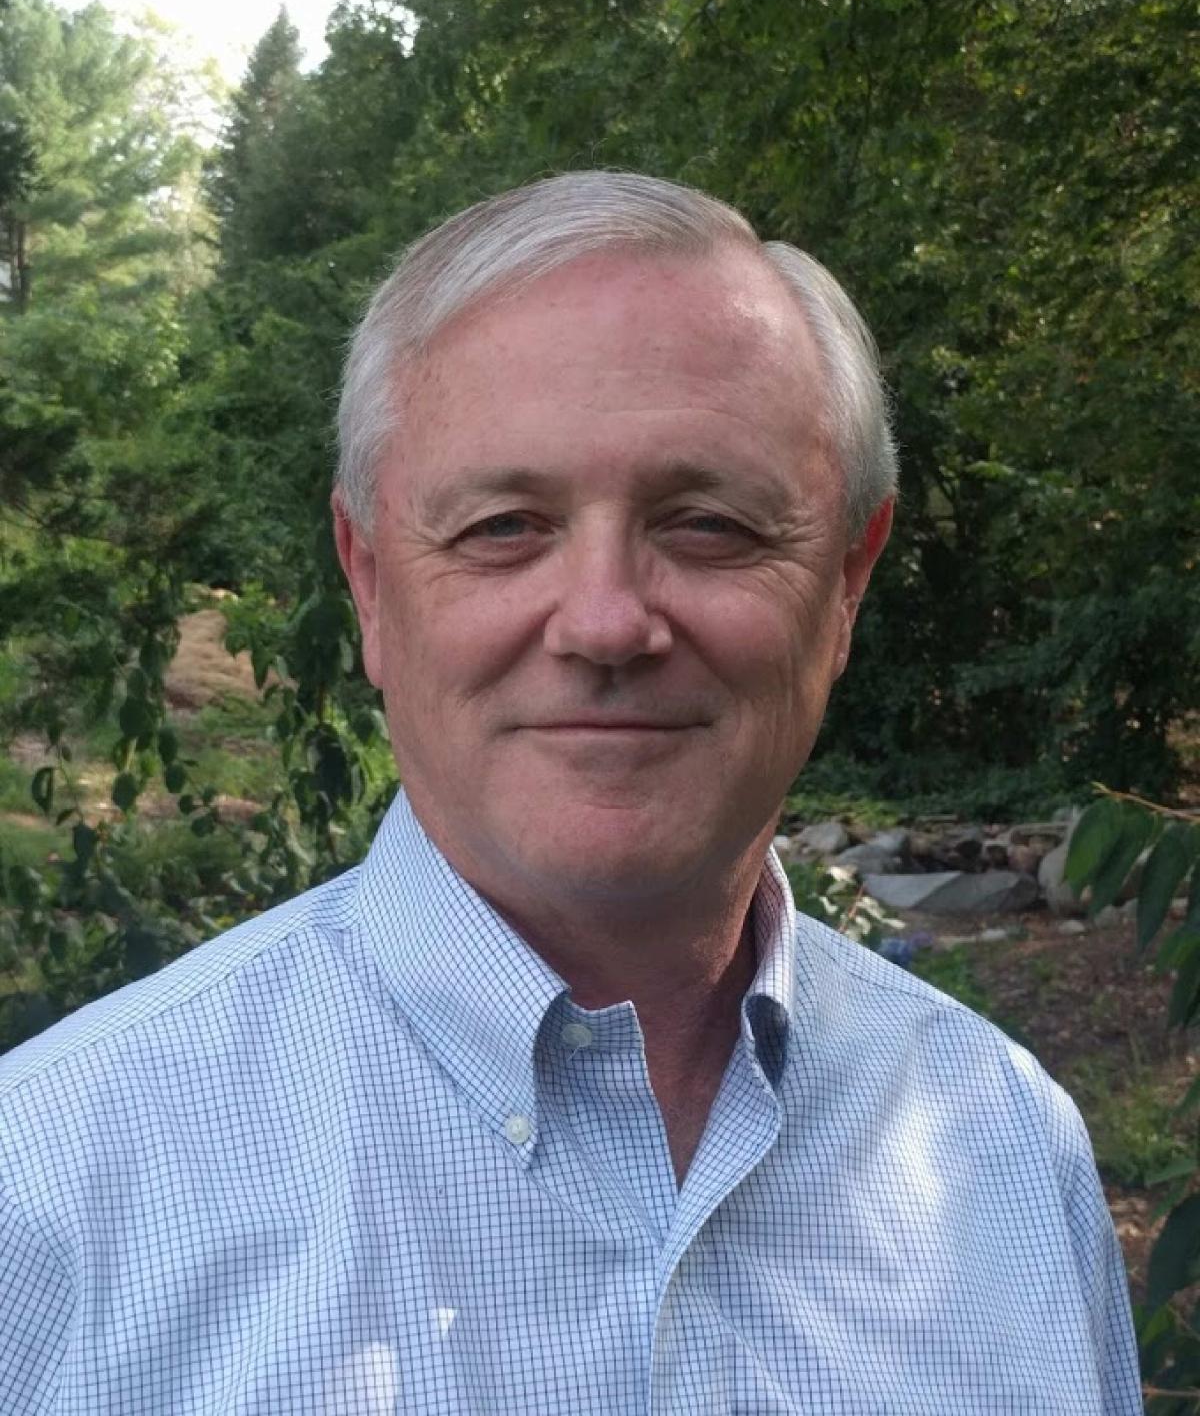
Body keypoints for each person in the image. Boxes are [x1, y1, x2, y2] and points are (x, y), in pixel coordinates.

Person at [0, 172, 1139, 1413]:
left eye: (708, 524)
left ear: (848, 585)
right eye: (503, 526)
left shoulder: (1010, 1154)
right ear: (370, 583)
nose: (604, 623)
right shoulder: (50, 1199)